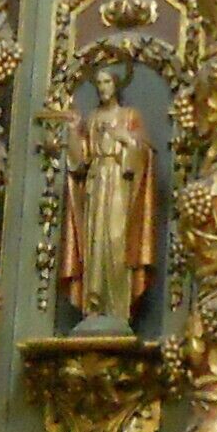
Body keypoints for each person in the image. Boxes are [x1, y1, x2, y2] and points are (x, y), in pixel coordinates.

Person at [57, 80, 160, 332]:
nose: (102, 87)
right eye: (99, 83)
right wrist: (73, 131)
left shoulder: (129, 115)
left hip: (120, 183)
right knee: (95, 245)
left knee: (116, 242)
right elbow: (80, 161)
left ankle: (118, 308)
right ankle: (93, 305)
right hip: (96, 182)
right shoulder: (91, 119)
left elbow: (145, 152)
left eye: (106, 82)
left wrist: (126, 140)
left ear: (116, 86)